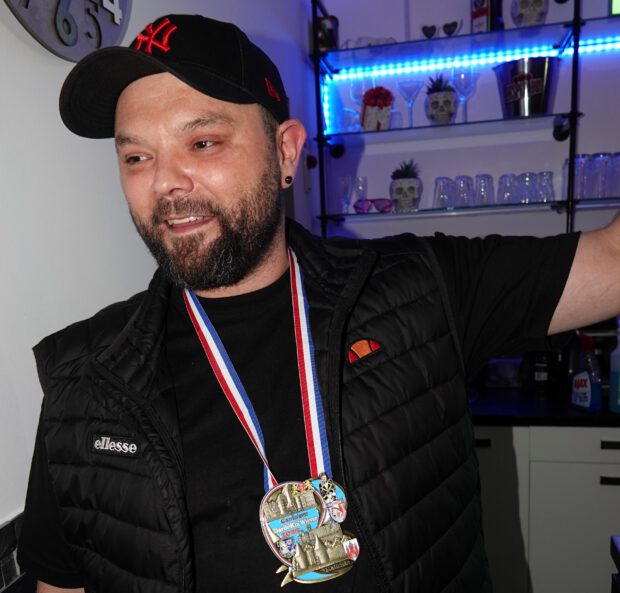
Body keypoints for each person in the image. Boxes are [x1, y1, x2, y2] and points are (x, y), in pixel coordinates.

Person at [16, 12, 620, 593]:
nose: (164, 182)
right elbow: (62, 584)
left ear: (285, 152)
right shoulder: (86, 378)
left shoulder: (421, 287)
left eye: (202, 142)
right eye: (136, 157)